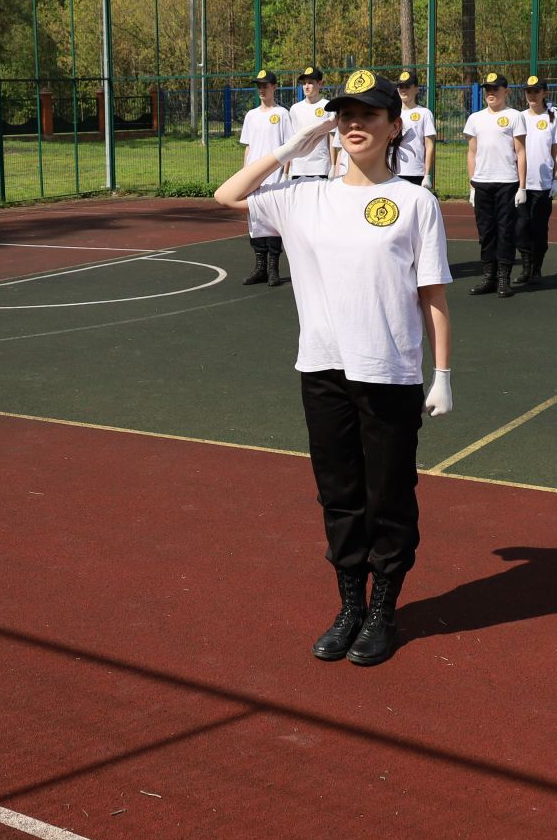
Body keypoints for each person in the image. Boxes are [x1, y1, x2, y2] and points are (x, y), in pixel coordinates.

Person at [213, 68, 454, 668]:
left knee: (389, 498)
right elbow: (227, 196)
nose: (353, 125)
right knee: (339, 496)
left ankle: (384, 609)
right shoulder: (303, 198)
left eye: (368, 116)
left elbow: (433, 297)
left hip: (390, 373)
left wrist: (442, 374)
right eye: (345, 116)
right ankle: (350, 602)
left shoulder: (414, 202)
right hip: (323, 370)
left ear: (394, 127)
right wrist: (289, 151)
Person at [460, 71, 527, 296]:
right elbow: (472, 153)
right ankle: (488, 276)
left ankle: (503, 279)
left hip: (507, 182)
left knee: (505, 231)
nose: (490, 93)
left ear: (505, 92)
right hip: (482, 183)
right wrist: (472, 186)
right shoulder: (475, 118)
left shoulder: (515, 116)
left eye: (495, 89)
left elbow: (521, 152)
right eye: (487, 89)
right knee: (486, 232)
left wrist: (522, 186)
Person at [238, 68, 295, 286]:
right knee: (255, 221)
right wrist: (245, 174)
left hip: (274, 178)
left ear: (274, 87)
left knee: (271, 222)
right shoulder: (251, 116)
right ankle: (260, 267)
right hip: (253, 179)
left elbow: (288, 147)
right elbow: (249, 147)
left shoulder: (281, 114)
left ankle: (273, 268)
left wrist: (286, 174)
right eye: (259, 86)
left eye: (266, 85)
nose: (262, 89)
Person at [513, 74, 557, 286]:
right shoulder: (519, 117)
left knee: (539, 227)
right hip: (521, 184)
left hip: (543, 184)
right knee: (521, 227)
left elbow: (555, 153)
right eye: (528, 91)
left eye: (536, 91)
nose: (532, 95)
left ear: (544, 93)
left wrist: (555, 179)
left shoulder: (553, 117)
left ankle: (536, 268)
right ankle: (525, 265)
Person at [285, 64, 337, 182]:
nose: (306, 86)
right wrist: (288, 169)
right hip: (299, 168)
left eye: (310, 82)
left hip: (321, 167)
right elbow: (291, 140)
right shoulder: (295, 109)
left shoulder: (327, 106)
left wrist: (333, 166)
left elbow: (332, 138)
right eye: (304, 83)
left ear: (320, 84)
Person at [393, 69, 437, 187]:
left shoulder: (424, 113)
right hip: (392, 172)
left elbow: (429, 145)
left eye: (407, 86)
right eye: (400, 86)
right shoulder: (391, 114)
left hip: (416, 172)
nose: (403, 90)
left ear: (416, 89)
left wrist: (427, 175)